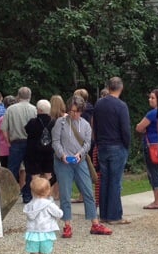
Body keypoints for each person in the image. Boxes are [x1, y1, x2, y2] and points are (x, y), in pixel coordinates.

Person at [51, 95, 111, 237]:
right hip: (63, 162)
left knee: (88, 192)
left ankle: (95, 223)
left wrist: (80, 154)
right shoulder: (61, 122)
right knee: (65, 194)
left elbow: (87, 144)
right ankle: (67, 224)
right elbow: (55, 141)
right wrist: (62, 155)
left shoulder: (85, 124)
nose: (75, 114)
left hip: (80, 161)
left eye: (77, 111)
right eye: (72, 111)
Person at [92, 77, 131, 226]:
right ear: (121, 88)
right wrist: (127, 145)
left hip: (102, 145)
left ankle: (104, 214)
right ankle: (114, 215)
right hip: (117, 144)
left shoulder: (99, 104)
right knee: (115, 181)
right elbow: (125, 129)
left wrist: (97, 142)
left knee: (104, 180)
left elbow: (95, 125)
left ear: (108, 87)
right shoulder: (121, 106)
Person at [23, 177, 63, 254]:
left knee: (33, 253)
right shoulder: (49, 205)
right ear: (48, 190)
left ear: (32, 191)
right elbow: (59, 213)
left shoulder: (30, 205)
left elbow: (28, 215)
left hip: (33, 233)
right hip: (46, 233)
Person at [4, 87, 38, 203]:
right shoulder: (34, 109)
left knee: (12, 169)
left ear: (18, 96)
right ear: (30, 96)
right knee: (30, 170)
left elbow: (4, 128)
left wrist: (8, 141)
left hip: (16, 142)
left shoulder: (10, 109)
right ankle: (27, 194)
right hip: (30, 142)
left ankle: (10, 195)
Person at [134, 89, 158, 210]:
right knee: (156, 171)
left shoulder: (152, 113)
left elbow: (139, 127)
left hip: (151, 146)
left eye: (153, 98)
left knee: (153, 172)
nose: (150, 100)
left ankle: (157, 201)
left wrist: (143, 130)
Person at [25, 99, 56, 183]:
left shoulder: (32, 122)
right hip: (49, 152)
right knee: (48, 175)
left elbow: (27, 130)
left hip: (34, 153)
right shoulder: (54, 122)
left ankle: (36, 194)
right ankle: (48, 194)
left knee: (35, 176)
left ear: (40, 110)